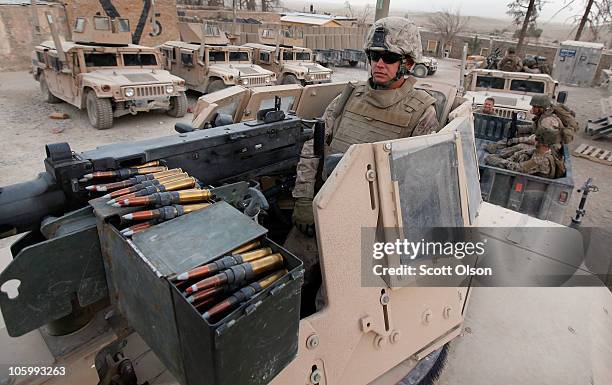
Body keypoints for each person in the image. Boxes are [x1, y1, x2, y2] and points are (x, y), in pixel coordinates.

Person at [286, 16, 439, 311]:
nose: (379, 64)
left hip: (369, 225)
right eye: (374, 56)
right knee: (287, 279)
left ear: (407, 63)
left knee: (333, 304)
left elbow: (415, 186)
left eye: (389, 57)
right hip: (324, 205)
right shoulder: (347, 98)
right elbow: (313, 149)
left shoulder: (421, 112)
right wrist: (304, 199)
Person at [484, 95, 566, 157]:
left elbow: (538, 139)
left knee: (519, 146)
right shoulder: (542, 117)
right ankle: (494, 147)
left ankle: (499, 157)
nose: (532, 109)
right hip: (540, 143)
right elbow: (533, 128)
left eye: (534, 107)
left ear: (541, 108)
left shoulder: (548, 121)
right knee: (514, 137)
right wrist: (518, 128)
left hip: (547, 149)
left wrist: (517, 140)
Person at [484, 128, 558, 178]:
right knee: (523, 154)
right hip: (525, 170)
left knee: (490, 159)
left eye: (536, 139)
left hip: (527, 179)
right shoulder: (542, 151)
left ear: (542, 143)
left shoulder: (540, 160)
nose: (534, 141)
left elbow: (518, 168)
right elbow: (527, 151)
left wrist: (500, 161)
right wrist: (512, 158)